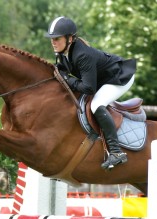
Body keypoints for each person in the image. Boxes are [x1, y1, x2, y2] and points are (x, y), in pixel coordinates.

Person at [44, 16, 137, 170]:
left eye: (57, 38)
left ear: (70, 39)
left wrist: (67, 79)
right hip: (103, 79)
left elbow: (88, 89)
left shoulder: (82, 55)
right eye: (52, 38)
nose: (53, 42)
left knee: (96, 105)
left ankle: (116, 152)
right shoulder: (63, 51)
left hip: (120, 77)